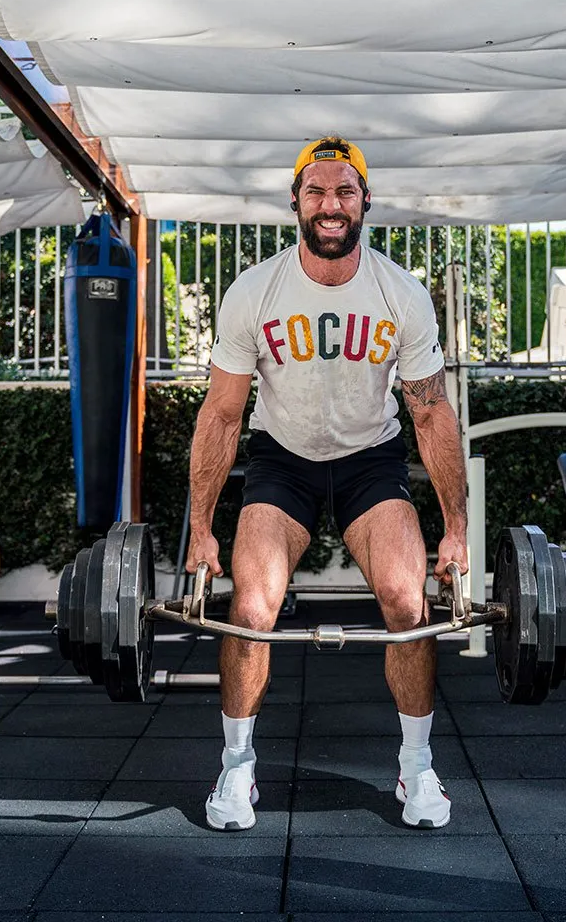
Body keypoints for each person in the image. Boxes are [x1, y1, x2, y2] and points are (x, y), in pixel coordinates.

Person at [186, 136, 469, 831]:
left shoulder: (401, 294)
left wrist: (457, 528)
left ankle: (416, 766)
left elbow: (430, 412)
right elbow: (222, 414)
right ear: (296, 202)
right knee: (251, 609)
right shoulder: (255, 291)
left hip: (371, 461)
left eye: (344, 191)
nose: (330, 204)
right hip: (283, 462)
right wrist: (199, 528)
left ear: (365, 201)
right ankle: (237, 766)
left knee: (407, 604)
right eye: (316, 191)